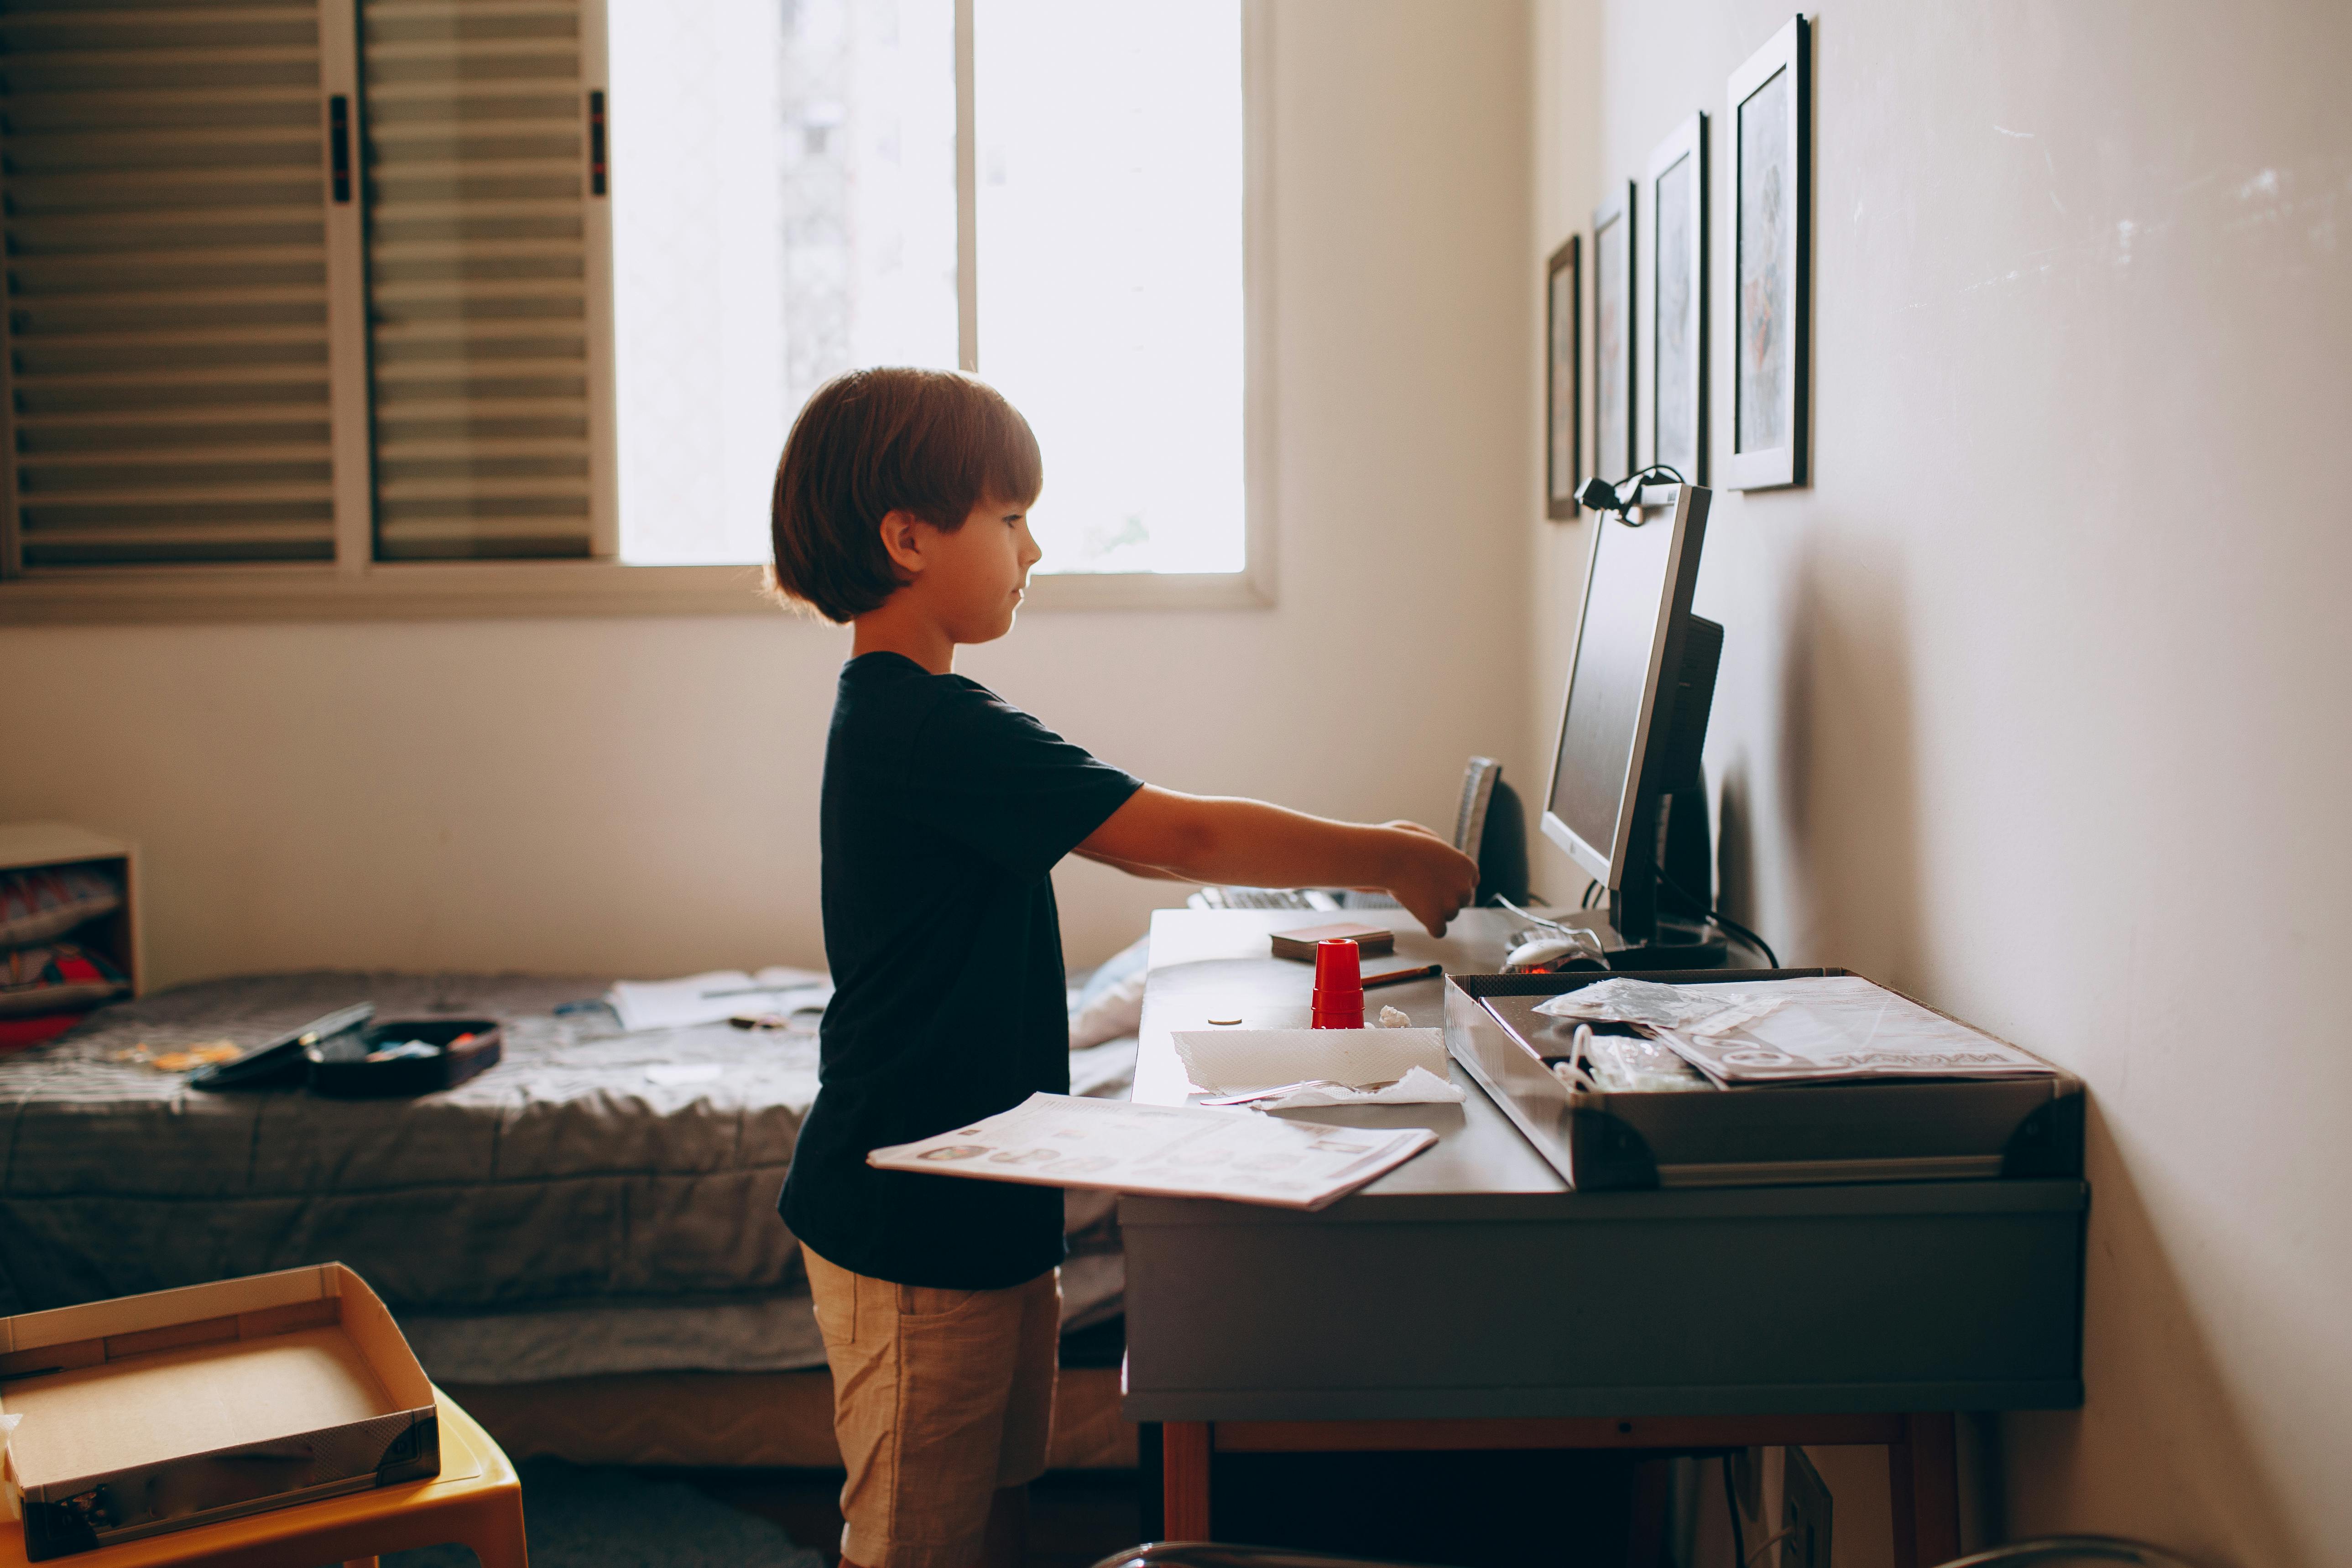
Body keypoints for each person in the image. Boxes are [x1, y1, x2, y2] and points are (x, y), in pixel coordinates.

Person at [770, 366, 1479, 1568]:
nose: (1032, 548)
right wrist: (1386, 855)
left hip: (987, 1192)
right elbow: (1172, 840)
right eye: (1008, 519)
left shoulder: (928, 715)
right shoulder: (925, 726)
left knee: (995, 1506)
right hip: (908, 1214)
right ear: (906, 539)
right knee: (910, 1542)